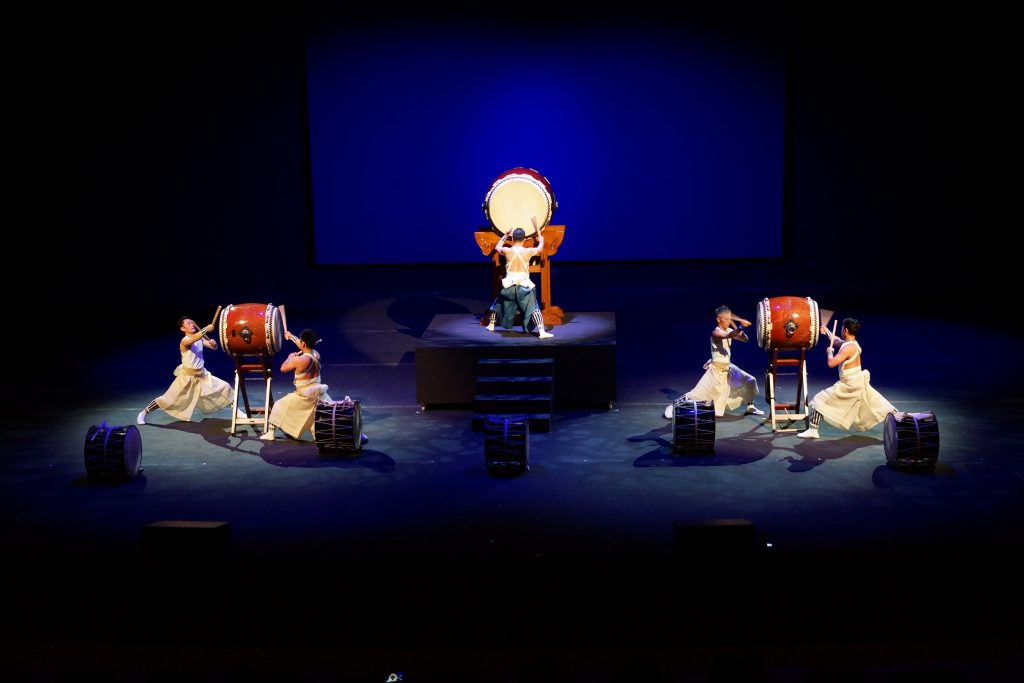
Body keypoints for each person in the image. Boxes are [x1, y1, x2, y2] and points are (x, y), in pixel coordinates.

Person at [259, 328, 368, 445]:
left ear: (303, 344)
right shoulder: (316, 355)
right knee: (332, 417)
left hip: (304, 396)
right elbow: (302, 346)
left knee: (279, 406)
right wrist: (291, 337)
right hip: (319, 394)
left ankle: (270, 434)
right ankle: (350, 432)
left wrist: (290, 357)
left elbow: (283, 368)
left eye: (300, 342)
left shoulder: (299, 360)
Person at [797, 317, 898, 439]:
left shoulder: (848, 348)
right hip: (858, 381)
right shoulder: (853, 344)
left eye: (841, 329)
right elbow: (837, 340)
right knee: (878, 404)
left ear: (845, 330)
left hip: (850, 384)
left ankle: (813, 430)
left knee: (820, 400)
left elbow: (831, 363)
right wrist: (827, 331)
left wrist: (829, 352)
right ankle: (902, 420)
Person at [663, 305, 764, 419]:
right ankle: (673, 406)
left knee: (750, 380)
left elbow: (744, 339)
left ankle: (750, 407)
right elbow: (728, 335)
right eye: (725, 319)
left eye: (729, 319)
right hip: (716, 371)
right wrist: (740, 327)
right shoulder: (716, 332)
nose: (728, 321)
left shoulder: (730, 330)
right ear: (718, 319)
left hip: (728, 368)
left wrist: (741, 333)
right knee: (696, 394)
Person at [137, 316, 233, 425]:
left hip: (203, 375)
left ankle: (236, 414)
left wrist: (213, 344)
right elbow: (192, 340)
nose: (192, 325)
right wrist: (205, 329)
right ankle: (143, 413)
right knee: (167, 399)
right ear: (183, 329)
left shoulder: (200, 338)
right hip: (187, 377)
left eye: (192, 323)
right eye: (188, 323)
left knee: (226, 387)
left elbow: (212, 347)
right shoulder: (185, 341)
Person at [485, 226, 554, 339]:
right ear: (524, 239)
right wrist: (541, 240)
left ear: (512, 239)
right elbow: (539, 249)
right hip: (524, 286)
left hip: (509, 286)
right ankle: (542, 332)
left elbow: (498, 247)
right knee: (534, 308)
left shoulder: (507, 251)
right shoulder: (528, 251)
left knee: (498, 303)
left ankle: (491, 325)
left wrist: (505, 235)